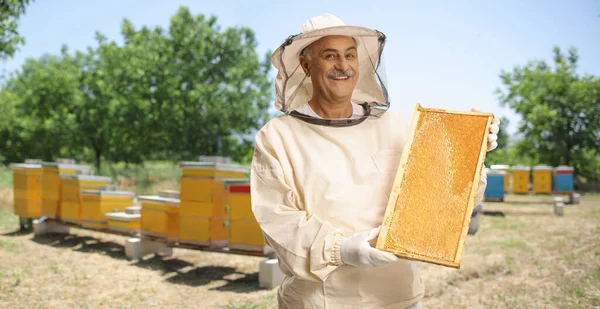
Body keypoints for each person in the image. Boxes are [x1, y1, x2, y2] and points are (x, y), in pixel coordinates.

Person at [250, 13, 500, 309]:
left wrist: (469, 156)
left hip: (400, 297)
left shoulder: (395, 126)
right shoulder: (277, 137)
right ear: (306, 65)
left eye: (350, 55)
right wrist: (341, 249)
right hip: (322, 302)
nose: (343, 66)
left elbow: (442, 201)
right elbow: (277, 220)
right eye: (330, 56)